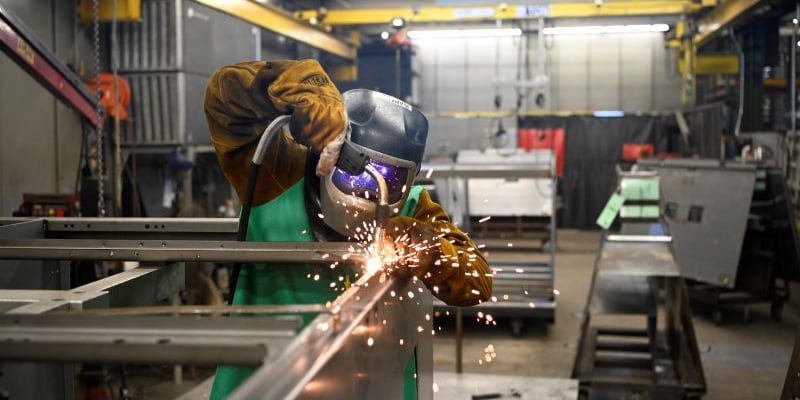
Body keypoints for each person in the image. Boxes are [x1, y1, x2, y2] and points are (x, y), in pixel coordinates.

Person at [204, 59, 491, 399]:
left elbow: (477, 281)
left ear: (411, 177)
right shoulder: (277, 172)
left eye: (391, 179)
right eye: (355, 171)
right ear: (333, 151)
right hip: (264, 389)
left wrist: (427, 251)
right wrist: (306, 87)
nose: (370, 189)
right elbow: (225, 98)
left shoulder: (416, 207)